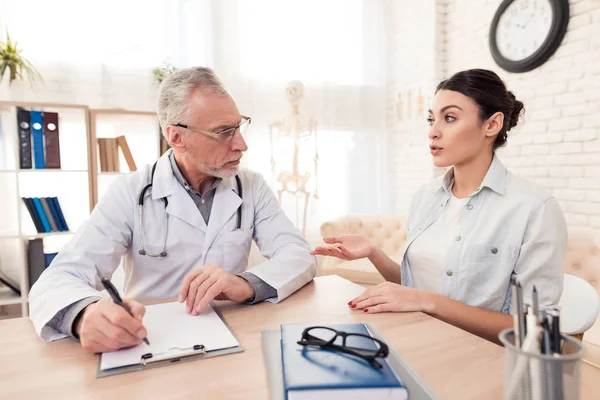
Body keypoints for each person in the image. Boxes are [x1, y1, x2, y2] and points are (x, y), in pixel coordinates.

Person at [29, 67, 317, 352]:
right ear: (177, 137)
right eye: (224, 132)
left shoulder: (250, 185)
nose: (241, 144)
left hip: (232, 337)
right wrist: (83, 315)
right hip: (150, 343)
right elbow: (60, 277)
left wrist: (245, 284)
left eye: (238, 127)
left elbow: (299, 254)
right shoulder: (131, 191)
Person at [312, 69, 567, 344]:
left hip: (479, 359)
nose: (433, 132)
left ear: (491, 125)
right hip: (414, 339)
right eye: (431, 120)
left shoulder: (534, 208)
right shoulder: (425, 197)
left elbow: (535, 331)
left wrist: (427, 302)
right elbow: (416, 287)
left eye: (450, 118)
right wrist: (374, 253)